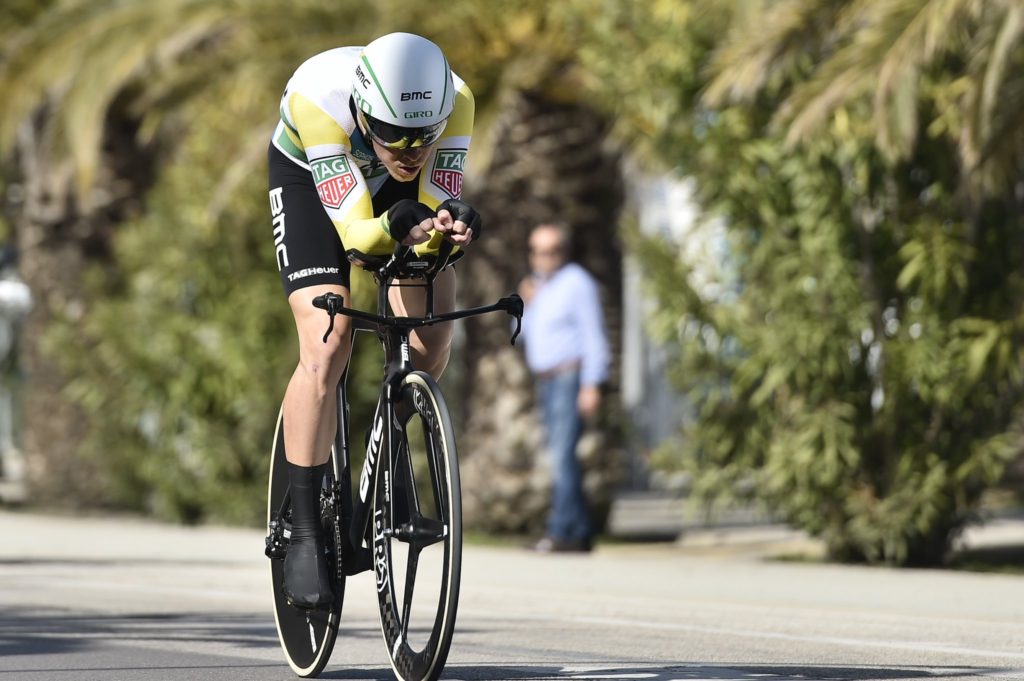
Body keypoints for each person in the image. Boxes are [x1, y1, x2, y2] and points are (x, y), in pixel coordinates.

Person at [268, 32, 480, 608]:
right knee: (328, 339)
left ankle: (391, 457)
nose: (409, 149)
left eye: (423, 137)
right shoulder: (320, 101)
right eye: (393, 135)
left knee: (431, 335)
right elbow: (359, 236)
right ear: (363, 112)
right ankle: (307, 527)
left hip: (396, 195)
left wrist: (449, 227)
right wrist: (396, 223)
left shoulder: (455, 101)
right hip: (310, 182)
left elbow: (433, 207)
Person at [518, 224, 610, 553]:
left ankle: (562, 531)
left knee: (562, 457)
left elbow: (593, 335)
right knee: (561, 457)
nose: (543, 258)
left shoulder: (576, 283)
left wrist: (591, 385)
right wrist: (527, 303)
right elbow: (524, 334)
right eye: (537, 252)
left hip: (569, 377)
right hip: (546, 380)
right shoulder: (537, 287)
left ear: (563, 252)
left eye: (551, 251)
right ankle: (579, 531)